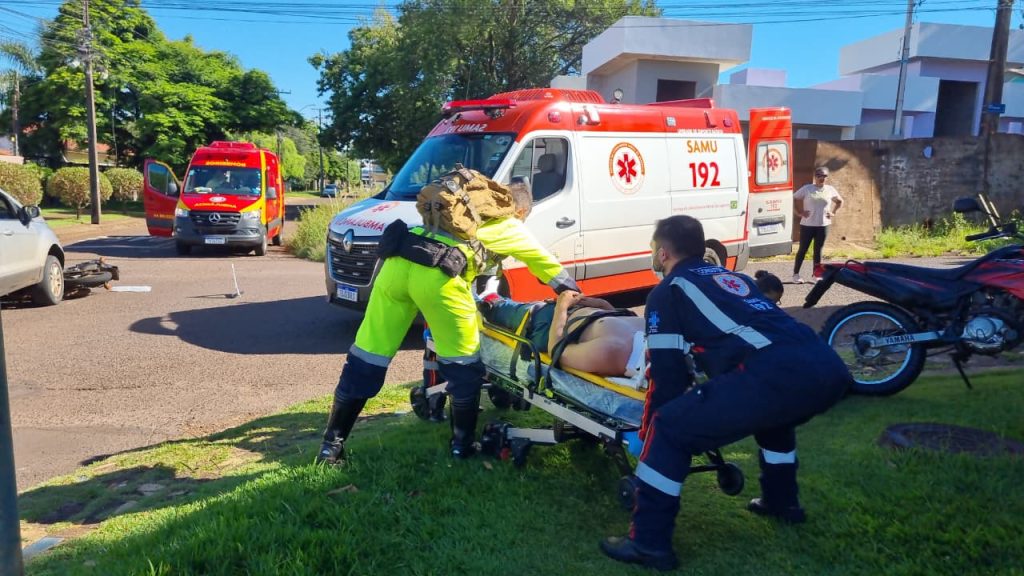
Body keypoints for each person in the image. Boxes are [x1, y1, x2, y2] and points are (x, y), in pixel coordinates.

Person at [599, 215, 850, 571]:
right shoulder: (735, 278)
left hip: (776, 371)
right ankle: (782, 503)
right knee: (775, 417)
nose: (654, 256)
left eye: (654, 250)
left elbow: (667, 377)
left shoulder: (667, 292)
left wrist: (648, 432)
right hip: (826, 366)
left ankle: (649, 544)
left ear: (663, 253)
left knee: (670, 429)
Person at [317, 175, 579, 464]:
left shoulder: (453, 214)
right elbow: (547, 266)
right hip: (439, 281)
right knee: (463, 365)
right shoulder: (509, 225)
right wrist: (573, 294)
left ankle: (331, 446)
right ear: (519, 211)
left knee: (368, 355)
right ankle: (462, 447)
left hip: (395, 268)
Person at [482, 290, 645, 377]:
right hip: (576, 312)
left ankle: (488, 303)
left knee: (498, 309)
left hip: (546, 326)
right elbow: (618, 319)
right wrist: (600, 304)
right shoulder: (650, 331)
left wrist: (562, 306)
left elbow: (556, 351)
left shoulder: (610, 352)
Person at [792, 167, 844, 283]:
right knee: (803, 249)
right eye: (819, 175)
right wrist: (799, 212)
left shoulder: (830, 189)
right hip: (807, 225)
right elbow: (793, 198)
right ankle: (796, 274)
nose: (822, 178)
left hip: (823, 224)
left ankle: (816, 274)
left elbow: (840, 201)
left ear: (827, 177)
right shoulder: (807, 189)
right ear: (815, 177)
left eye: (824, 176)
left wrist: (833, 212)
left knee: (818, 250)